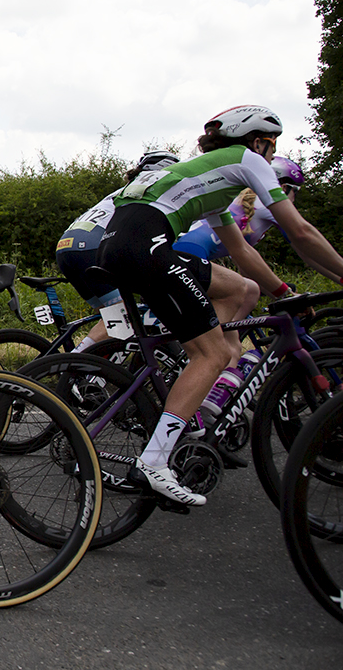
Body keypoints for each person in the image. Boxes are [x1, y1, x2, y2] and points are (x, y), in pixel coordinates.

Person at [97, 105, 343, 506]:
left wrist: (282, 292)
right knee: (210, 354)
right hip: (146, 246)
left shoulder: (208, 178)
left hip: (118, 246)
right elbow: (300, 231)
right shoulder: (245, 159)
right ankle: (155, 462)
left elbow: (240, 251)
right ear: (259, 141)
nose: (270, 153)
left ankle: (172, 413)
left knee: (232, 301)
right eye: (272, 145)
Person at [55, 151, 200, 351]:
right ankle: (73, 365)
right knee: (123, 316)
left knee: (113, 317)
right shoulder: (151, 193)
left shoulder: (126, 190)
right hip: (91, 246)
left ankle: (99, 369)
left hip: (68, 247)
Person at [172, 157, 312, 263]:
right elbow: (306, 246)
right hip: (190, 251)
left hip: (179, 247)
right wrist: (335, 276)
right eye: (296, 190)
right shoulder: (267, 205)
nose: (295, 197)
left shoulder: (242, 198)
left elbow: (244, 261)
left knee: (248, 290)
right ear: (284, 187)